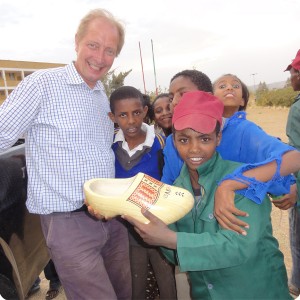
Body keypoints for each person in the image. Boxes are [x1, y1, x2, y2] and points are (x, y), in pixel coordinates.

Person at [0, 8, 131, 300]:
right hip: (69, 225)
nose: (100, 57)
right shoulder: (42, 85)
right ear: (77, 42)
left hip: (112, 218)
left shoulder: (101, 93)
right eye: (93, 45)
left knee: (124, 293)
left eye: (109, 50)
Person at [124, 90, 292, 299]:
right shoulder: (176, 190)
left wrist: (172, 239)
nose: (194, 149)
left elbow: (238, 247)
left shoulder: (243, 181)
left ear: (218, 137)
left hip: (256, 290)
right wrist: (155, 231)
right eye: (184, 140)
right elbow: (175, 254)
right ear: (174, 141)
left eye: (204, 139)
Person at [162, 69, 300, 235]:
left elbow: (293, 158)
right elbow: (167, 188)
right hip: (193, 239)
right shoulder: (171, 143)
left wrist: (230, 185)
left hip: (236, 233)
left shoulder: (242, 131)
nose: (175, 102)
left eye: (183, 94)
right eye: (171, 97)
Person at [108, 86, 177, 300]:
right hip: (126, 230)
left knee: (167, 282)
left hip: (158, 226)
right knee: (135, 284)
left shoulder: (162, 144)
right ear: (113, 117)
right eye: (123, 115)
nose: (130, 121)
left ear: (145, 111)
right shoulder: (108, 146)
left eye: (136, 113)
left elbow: (171, 183)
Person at [282, 49, 300, 298]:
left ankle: (296, 283)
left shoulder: (297, 109)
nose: (291, 77)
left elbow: (296, 153)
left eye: (294, 72)